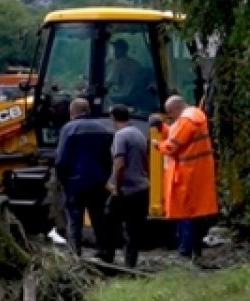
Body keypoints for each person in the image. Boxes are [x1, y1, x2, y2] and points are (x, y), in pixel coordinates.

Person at [152, 94, 218, 260]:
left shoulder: (188, 120)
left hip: (189, 172)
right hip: (193, 171)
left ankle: (185, 249)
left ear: (176, 108)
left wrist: (157, 145)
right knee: (191, 212)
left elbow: (173, 145)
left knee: (187, 212)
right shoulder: (192, 118)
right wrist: (163, 128)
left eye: (170, 113)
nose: (170, 117)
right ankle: (190, 249)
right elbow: (178, 134)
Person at [54, 97, 113, 257]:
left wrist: (63, 180)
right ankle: (104, 251)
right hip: (98, 182)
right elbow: (109, 157)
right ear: (88, 110)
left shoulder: (68, 129)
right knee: (99, 217)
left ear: (72, 112)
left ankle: (75, 253)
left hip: (75, 183)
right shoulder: (103, 128)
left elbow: (61, 160)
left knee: (74, 219)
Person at [104, 104, 149, 267]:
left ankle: (107, 257)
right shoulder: (139, 134)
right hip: (141, 187)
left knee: (108, 220)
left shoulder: (120, 136)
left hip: (126, 189)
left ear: (112, 118)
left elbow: (120, 163)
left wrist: (116, 185)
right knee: (134, 228)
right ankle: (131, 263)